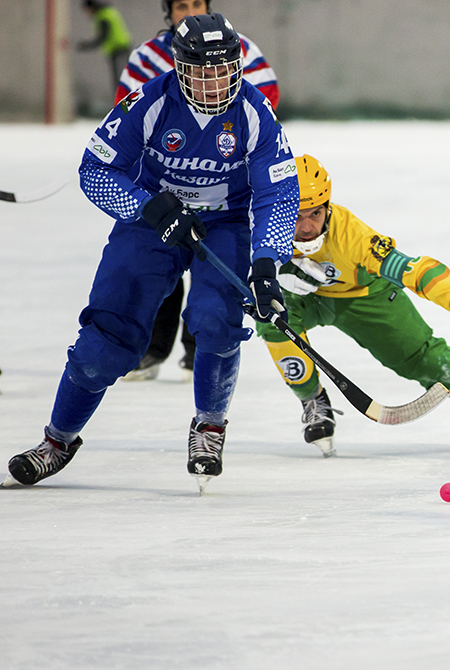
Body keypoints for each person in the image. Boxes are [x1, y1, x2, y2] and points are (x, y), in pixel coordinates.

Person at [3, 13, 297, 493]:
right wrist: (150, 208)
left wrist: (266, 263)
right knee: (105, 340)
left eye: (223, 70)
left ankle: (209, 426)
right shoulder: (149, 102)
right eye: (201, 71)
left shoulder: (254, 113)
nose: (213, 82)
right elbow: (95, 171)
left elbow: (278, 195)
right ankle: (56, 441)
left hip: (223, 224)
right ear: (179, 67)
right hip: (151, 222)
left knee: (215, 322)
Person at [257, 154, 450, 456]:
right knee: (269, 315)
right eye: (296, 215)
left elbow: (413, 270)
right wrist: (274, 272)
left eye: (314, 214)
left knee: (431, 363)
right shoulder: (262, 225)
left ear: (328, 206)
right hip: (302, 300)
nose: (306, 227)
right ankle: (312, 400)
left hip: (365, 298)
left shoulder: (354, 236)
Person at [117, 0, 282, 383]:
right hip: (164, 184)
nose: (187, 11)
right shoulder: (148, 57)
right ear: (168, 12)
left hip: (222, 183)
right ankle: (153, 349)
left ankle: (199, 349)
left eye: (196, 4)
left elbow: (265, 95)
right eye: (180, 6)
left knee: (213, 274)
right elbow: (126, 110)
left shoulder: (238, 46)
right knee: (163, 270)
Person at [78, 0, 132, 94]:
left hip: (118, 49)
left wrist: (86, 46)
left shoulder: (103, 16)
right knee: (124, 78)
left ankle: (123, 104)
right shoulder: (109, 11)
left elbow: (103, 37)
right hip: (121, 47)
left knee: (120, 81)